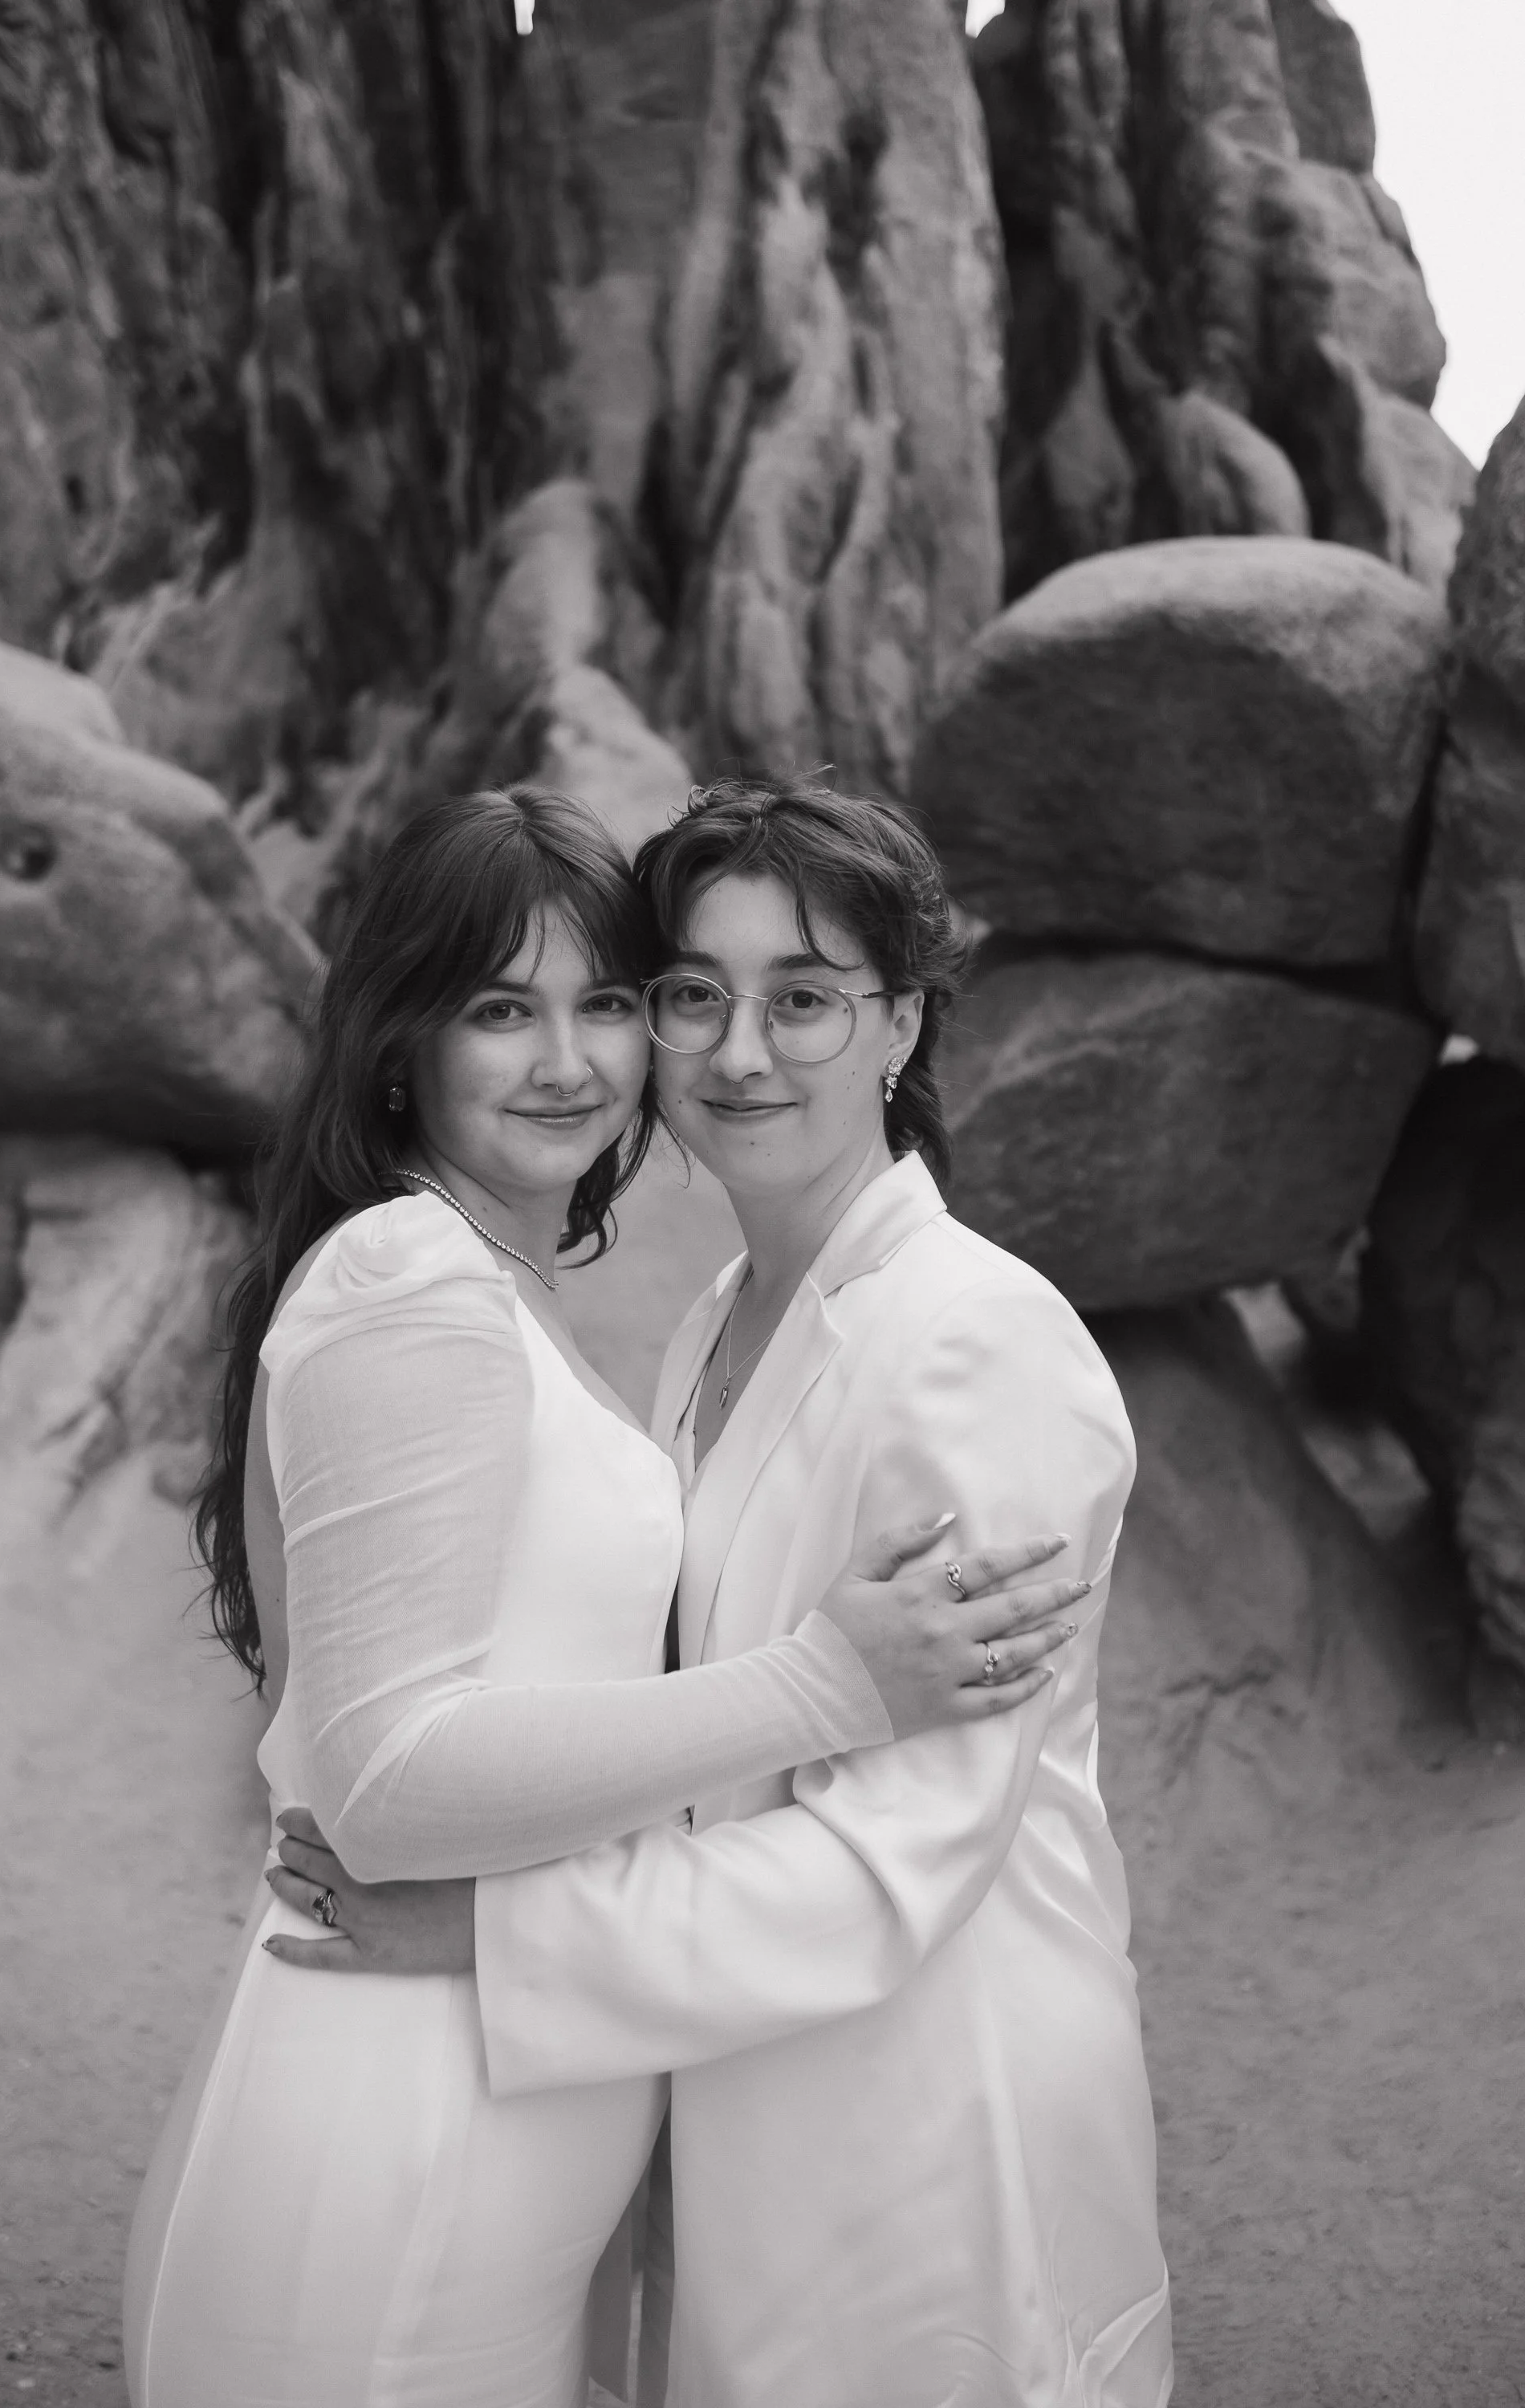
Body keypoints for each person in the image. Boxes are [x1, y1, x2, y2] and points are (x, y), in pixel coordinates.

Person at [122, 784, 1088, 2408]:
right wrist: (822, 1682)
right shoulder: (412, 1282)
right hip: (408, 2137)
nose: (574, 1060)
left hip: (643, 2138)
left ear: (899, 1025)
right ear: (398, 1042)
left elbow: (896, 1841)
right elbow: (382, 1787)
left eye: (608, 1004)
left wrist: (510, 1945)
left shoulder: (735, 1313)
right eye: (504, 1009)